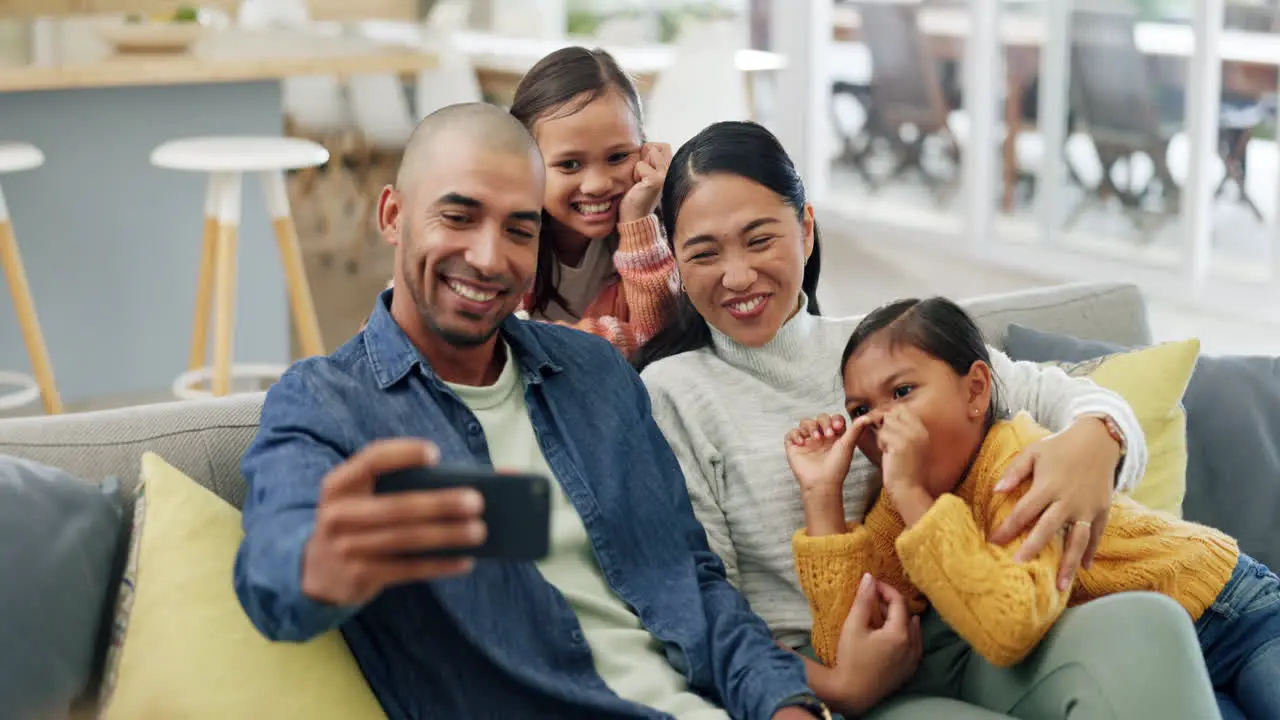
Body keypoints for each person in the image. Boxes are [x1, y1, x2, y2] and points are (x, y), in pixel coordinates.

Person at [233, 103, 830, 719]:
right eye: (458, 217)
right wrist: (316, 568)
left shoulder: (595, 375)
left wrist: (787, 704)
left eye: (519, 229)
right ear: (392, 215)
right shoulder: (329, 403)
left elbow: (692, 582)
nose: (490, 258)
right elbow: (272, 567)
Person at [634, 121, 1221, 718]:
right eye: (704, 253)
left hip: (980, 627)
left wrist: (1098, 442)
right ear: (676, 262)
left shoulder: (879, 347)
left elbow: (1060, 395)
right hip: (829, 671)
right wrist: (828, 683)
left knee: (1151, 621)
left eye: (760, 240)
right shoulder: (670, 394)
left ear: (806, 230)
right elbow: (703, 604)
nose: (736, 276)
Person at [788, 295, 1275, 719]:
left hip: (1235, 611)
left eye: (902, 392)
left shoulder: (1015, 457)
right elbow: (844, 651)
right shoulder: (899, 510)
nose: (880, 421)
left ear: (975, 390)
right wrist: (822, 497)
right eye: (860, 411)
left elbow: (1011, 623)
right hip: (1155, 665)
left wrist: (914, 498)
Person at [383, 46, 677, 356]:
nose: (597, 185)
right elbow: (482, 341)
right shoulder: (499, 231)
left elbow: (662, 346)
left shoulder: (653, 232)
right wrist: (615, 341)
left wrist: (638, 223)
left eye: (618, 157)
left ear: (645, 149)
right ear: (527, 162)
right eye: (570, 164)